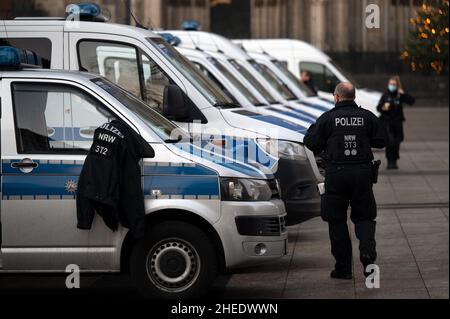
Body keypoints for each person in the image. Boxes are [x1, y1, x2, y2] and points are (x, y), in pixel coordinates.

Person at [304, 83, 386, 279]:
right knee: (365, 216)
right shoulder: (366, 117)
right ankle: (367, 252)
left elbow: (311, 141)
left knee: (336, 220)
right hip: (362, 173)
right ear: (353, 96)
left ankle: (343, 268)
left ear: (337, 97)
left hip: (336, 174)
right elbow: (382, 140)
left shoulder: (328, 118)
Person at [377, 76, 415, 169]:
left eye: (394, 84)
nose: (392, 86)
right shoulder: (385, 95)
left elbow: (412, 101)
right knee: (390, 142)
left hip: (397, 123)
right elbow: (378, 108)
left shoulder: (399, 95)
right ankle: (390, 161)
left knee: (396, 143)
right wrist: (383, 108)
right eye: (390, 84)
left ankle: (394, 160)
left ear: (397, 86)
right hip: (387, 123)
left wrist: (404, 94)